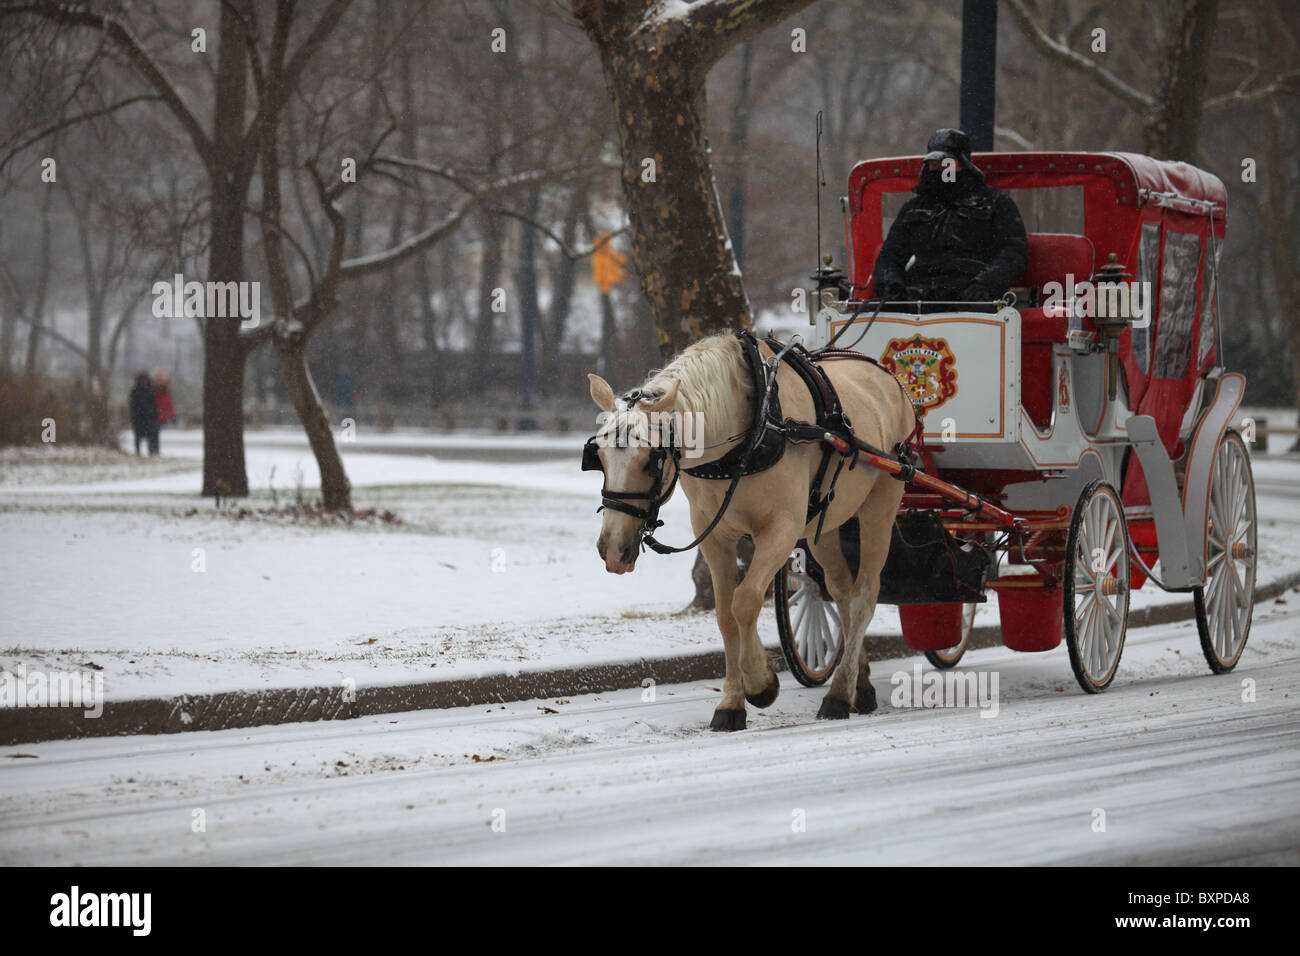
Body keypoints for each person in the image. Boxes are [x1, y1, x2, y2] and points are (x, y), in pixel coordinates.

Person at [873, 128, 1028, 302]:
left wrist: (984, 285)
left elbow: (1013, 253)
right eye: (934, 163)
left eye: (946, 162)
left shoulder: (995, 203)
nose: (939, 168)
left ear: (963, 163)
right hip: (920, 295)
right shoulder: (914, 208)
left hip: (972, 296)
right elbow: (890, 255)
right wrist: (891, 285)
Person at [129, 372, 159, 455]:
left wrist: (154, 416)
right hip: (139, 419)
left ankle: (152, 451)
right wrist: (135, 417)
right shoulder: (135, 392)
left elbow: (154, 405)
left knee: (151, 437)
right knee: (138, 437)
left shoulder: (150, 391)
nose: (144, 382)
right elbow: (132, 406)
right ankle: (138, 452)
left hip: (149, 419)